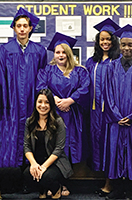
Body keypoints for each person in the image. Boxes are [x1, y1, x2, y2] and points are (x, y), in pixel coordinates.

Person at [36, 32, 90, 195]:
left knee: (68, 148)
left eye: (63, 52)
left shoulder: (80, 71)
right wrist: (56, 99)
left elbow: (85, 88)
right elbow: (41, 86)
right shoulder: (47, 70)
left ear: (69, 53)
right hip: (52, 114)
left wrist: (70, 100)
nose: (60, 55)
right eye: (57, 52)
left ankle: (64, 184)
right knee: (52, 147)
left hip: (72, 115)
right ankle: (53, 184)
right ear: (54, 54)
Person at [103, 24, 132, 199]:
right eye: (123, 44)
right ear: (119, 45)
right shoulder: (110, 67)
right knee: (115, 152)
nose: (126, 48)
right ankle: (117, 189)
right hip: (116, 120)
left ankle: (131, 189)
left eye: (130, 44)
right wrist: (116, 116)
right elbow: (107, 94)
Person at [0, 7, 47, 167]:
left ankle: (30, 176)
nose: (21, 29)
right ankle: (12, 178)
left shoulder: (39, 51)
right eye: (18, 26)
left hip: (31, 101)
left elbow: (42, 78)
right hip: (10, 103)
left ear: (30, 28)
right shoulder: (5, 50)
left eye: (24, 26)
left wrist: (39, 102)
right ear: (13, 28)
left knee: (31, 135)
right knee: (10, 137)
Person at [85, 18, 120, 197]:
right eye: (102, 39)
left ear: (114, 41)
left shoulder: (119, 60)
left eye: (108, 39)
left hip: (111, 112)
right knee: (97, 144)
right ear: (98, 42)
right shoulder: (92, 62)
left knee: (110, 145)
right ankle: (103, 179)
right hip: (94, 112)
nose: (105, 42)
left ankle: (110, 183)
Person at [23, 89, 73, 199]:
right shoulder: (29, 122)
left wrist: (44, 167)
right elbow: (27, 146)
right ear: (35, 103)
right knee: (28, 174)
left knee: (47, 176)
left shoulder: (58, 122)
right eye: (40, 102)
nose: (43, 105)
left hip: (55, 163)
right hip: (37, 161)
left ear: (51, 104)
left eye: (47, 102)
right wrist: (34, 164)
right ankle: (42, 192)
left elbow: (59, 148)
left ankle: (56, 190)